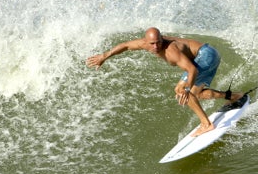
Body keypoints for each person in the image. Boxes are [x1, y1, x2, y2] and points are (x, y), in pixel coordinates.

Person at [86, 27, 246, 136]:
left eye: (158, 42)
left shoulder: (170, 50)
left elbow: (192, 70)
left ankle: (207, 124)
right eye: (152, 44)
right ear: (146, 42)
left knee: (181, 90)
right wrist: (104, 56)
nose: (156, 47)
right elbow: (126, 46)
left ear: (162, 39)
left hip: (206, 56)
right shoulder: (144, 44)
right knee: (198, 94)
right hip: (208, 53)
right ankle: (233, 96)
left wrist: (187, 89)